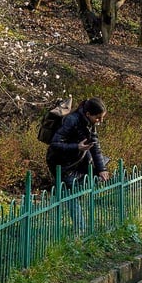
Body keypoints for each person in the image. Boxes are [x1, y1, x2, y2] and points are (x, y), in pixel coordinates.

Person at [47, 97, 111, 232]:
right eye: (98, 118)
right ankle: (80, 229)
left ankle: (63, 197)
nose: (101, 121)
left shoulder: (90, 123)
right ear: (88, 114)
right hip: (62, 163)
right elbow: (55, 144)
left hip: (78, 160)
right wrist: (77, 147)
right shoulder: (71, 120)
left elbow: (95, 146)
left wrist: (101, 169)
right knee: (71, 193)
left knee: (91, 181)